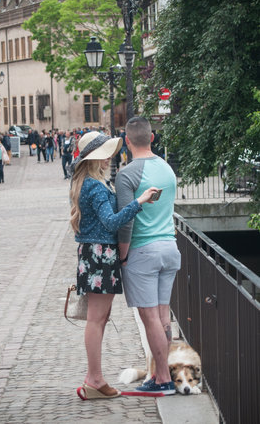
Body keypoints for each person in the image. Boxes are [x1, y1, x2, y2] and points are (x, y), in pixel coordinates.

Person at [70, 131, 158, 401]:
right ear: (96, 157)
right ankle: (94, 379)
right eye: (106, 153)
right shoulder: (94, 185)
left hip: (95, 254)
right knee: (97, 320)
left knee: (99, 318)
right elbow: (111, 222)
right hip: (100, 255)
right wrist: (140, 202)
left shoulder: (87, 182)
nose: (109, 157)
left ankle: (94, 378)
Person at [115, 116, 181, 396]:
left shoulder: (127, 174)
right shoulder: (167, 168)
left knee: (149, 317)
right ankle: (158, 373)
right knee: (163, 316)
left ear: (126, 142)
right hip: (170, 247)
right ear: (152, 138)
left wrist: (123, 256)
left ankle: (163, 379)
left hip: (144, 250)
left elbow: (126, 223)